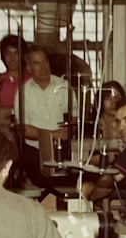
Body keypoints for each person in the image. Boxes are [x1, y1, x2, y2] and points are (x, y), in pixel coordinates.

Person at [14, 44, 78, 189]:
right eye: (37, 63)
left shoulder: (64, 87)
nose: (43, 67)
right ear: (29, 68)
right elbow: (23, 129)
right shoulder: (23, 92)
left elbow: (74, 121)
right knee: (43, 182)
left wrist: (64, 135)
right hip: (34, 152)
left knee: (67, 183)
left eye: (45, 61)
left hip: (62, 149)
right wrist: (52, 134)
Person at [0, 35, 31, 124]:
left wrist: (7, 110)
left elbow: (37, 109)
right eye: (8, 53)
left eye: (16, 53)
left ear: (23, 55)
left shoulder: (31, 78)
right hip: (5, 132)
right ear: (3, 56)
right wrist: (22, 109)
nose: (12, 58)